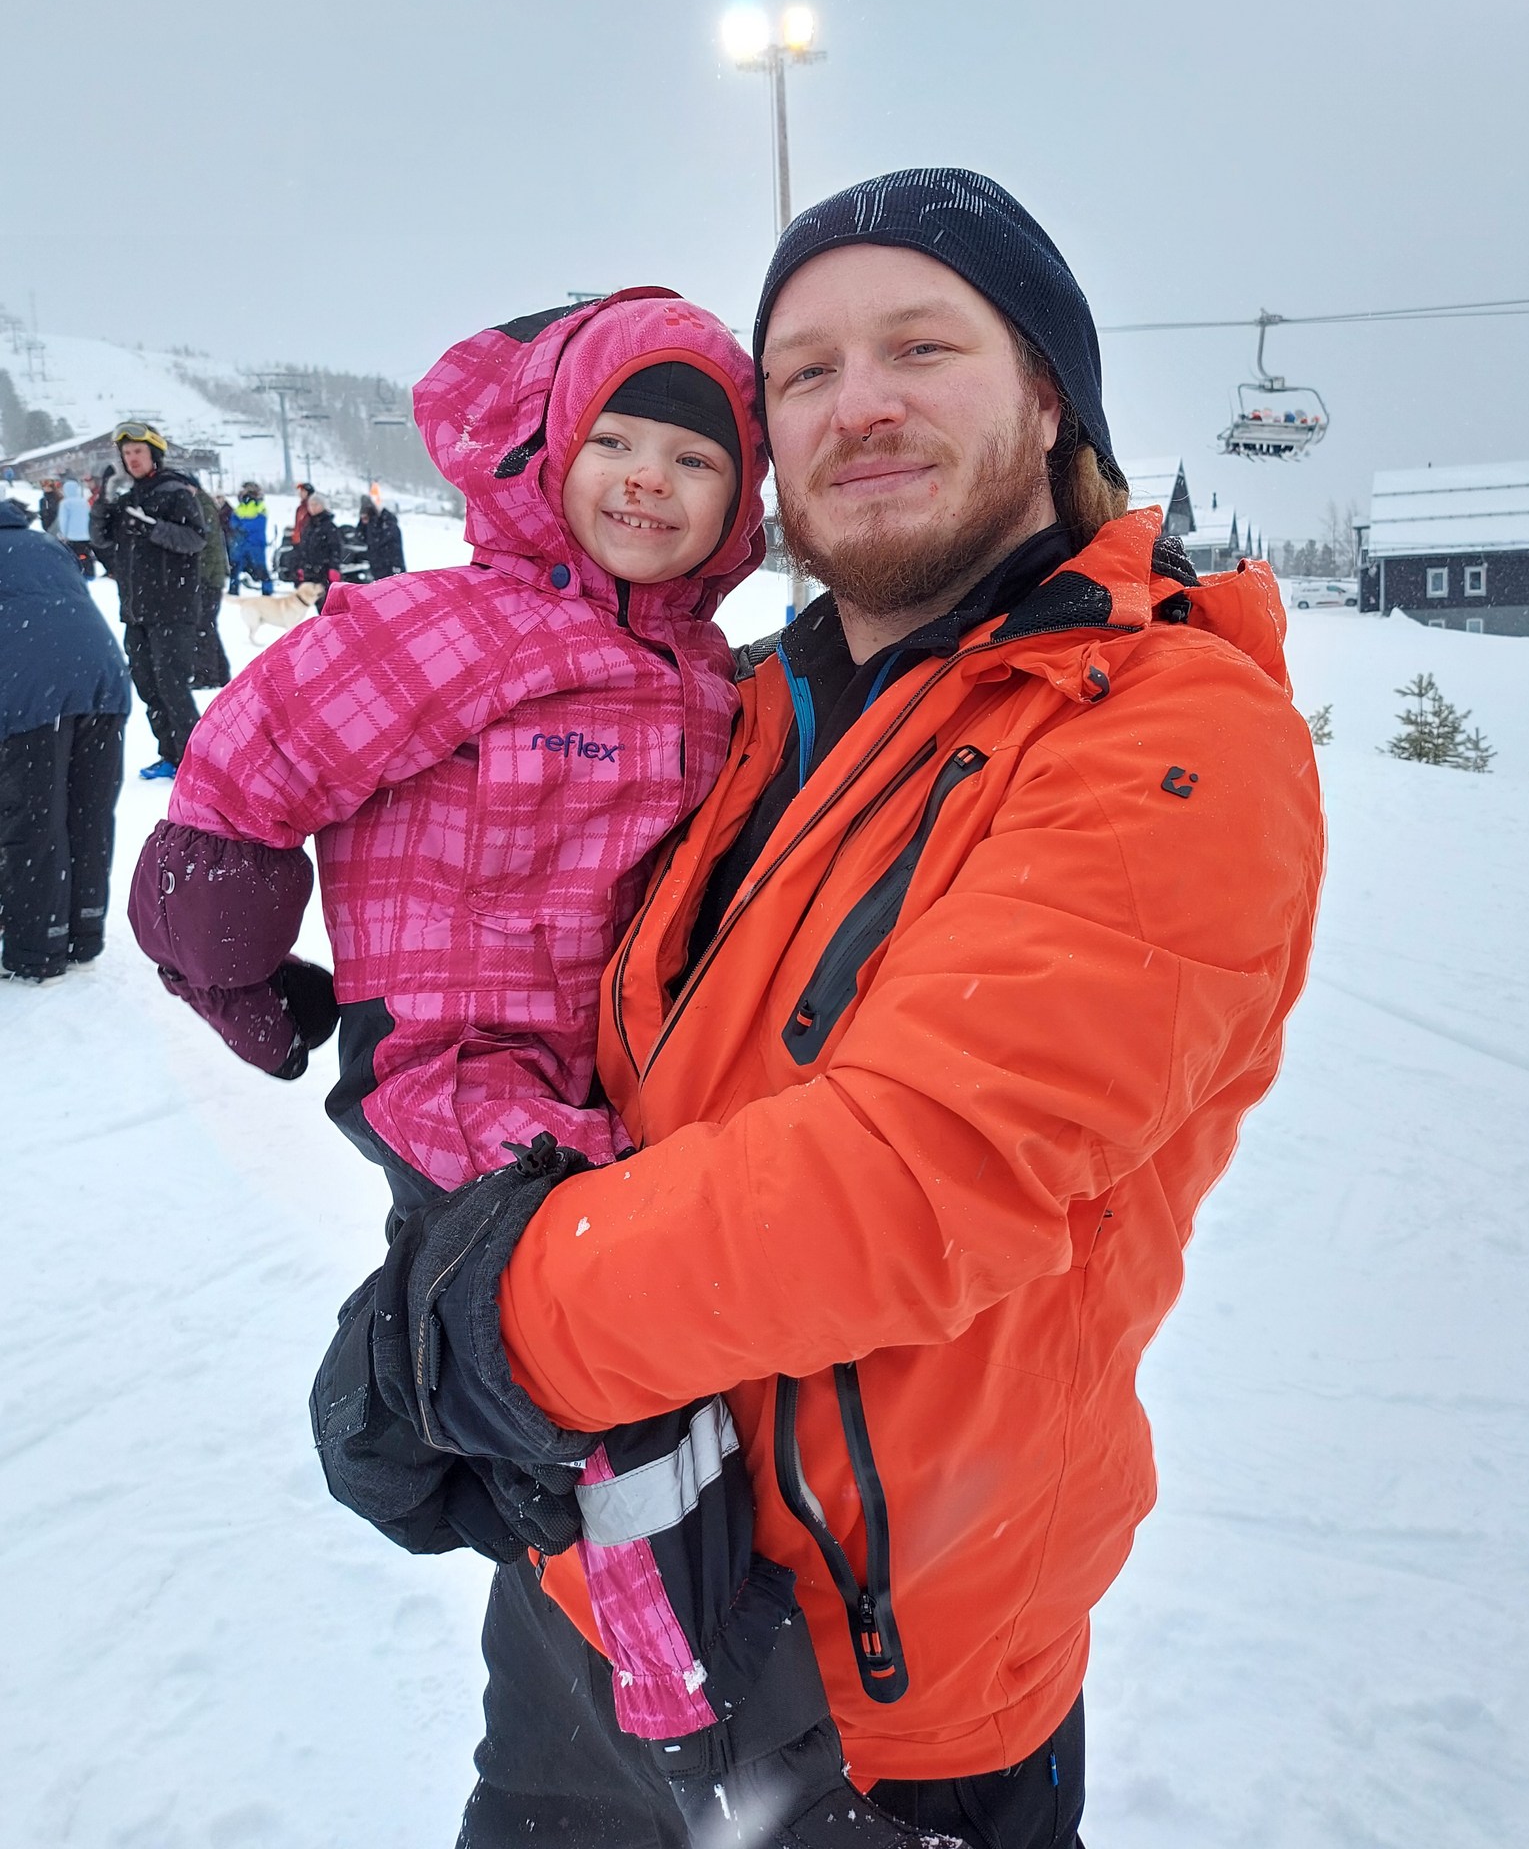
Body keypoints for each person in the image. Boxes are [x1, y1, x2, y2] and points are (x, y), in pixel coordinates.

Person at [333, 170, 1326, 1849]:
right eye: (804, 371)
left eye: (920, 347)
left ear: (1050, 397)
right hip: (596, 1580)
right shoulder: (742, 710)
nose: (857, 404)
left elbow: (920, 1172)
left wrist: (481, 1328)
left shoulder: (1166, 731)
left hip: (875, 1702)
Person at [130, 292, 922, 1843]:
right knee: (622, 1400)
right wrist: (237, 975)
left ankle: (481, 1468)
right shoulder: (443, 628)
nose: (647, 481)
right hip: (465, 1077)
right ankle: (704, 1740)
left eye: (694, 460)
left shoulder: (711, 679)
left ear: (740, 501)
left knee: (662, 1343)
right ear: (547, 453)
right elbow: (246, 768)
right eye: (615, 442)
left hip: (627, 1086)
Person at [0, 497, 130, 980]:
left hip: (30, 689)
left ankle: (36, 948)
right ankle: (82, 930)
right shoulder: (44, 544)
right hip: (100, 678)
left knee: (34, 818)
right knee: (87, 812)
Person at [89, 420, 207, 782]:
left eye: (138, 451)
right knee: (148, 686)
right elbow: (100, 540)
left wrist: (153, 528)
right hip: (136, 610)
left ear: (154, 453)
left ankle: (197, 760)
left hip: (172, 608)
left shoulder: (175, 491)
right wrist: (103, 501)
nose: (132, 458)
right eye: (127, 453)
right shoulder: (128, 498)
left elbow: (195, 539)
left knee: (172, 686)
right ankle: (170, 754)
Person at [190, 485, 232, 690]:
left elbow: (207, 546)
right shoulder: (203, 504)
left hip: (207, 579)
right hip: (210, 578)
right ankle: (220, 673)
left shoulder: (202, 506)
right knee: (207, 626)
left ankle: (207, 674)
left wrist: (201, 576)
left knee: (202, 626)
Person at [292, 491, 344, 608]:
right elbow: (302, 549)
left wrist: (334, 568)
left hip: (325, 571)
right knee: (318, 605)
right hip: (310, 572)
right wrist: (300, 566)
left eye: (316, 504)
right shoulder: (308, 526)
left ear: (323, 506)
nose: (313, 507)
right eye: (311, 505)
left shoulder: (329, 527)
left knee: (329, 604)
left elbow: (335, 548)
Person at [230, 482, 274, 593]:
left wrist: (242, 526)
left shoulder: (260, 506)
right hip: (241, 542)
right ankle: (233, 590)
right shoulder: (240, 507)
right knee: (235, 567)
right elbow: (233, 520)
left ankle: (267, 591)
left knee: (260, 567)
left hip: (255, 542)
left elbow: (259, 522)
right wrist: (239, 526)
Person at [357, 491, 406, 577]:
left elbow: (395, 549)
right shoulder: (373, 525)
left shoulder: (386, 526)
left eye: (365, 518)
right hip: (379, 567)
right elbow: (361, 537)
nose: (364, 521)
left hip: (388, 568)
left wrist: (397, 567)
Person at [56, 475, 96, 576]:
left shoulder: (65, 503)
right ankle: (89, 571)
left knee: (74, 555)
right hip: (86, 535)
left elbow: (64, 520)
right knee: (86, 553)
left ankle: (77, 572)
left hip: (72, 535)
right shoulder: (84, 502)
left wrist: (63, 534)